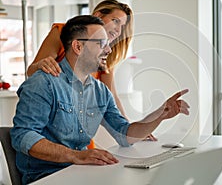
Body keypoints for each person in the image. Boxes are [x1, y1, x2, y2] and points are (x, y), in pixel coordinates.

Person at [10, 15, 190, 185]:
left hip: (80, 171)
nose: (109, 49)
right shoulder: (44, 83)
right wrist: (76, 156)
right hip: (46, 177)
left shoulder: (100, 90)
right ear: (78, 47)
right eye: (102, 43)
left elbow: (124, 134)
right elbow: (23, 135)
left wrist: (159, 114)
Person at [26, 0, 156, 143]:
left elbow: (111, 95)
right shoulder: (65, 34)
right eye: (115, 21)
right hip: (55, 126)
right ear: (98, 15)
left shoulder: (104, 56)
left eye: (122, 26)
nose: (119, 30)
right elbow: (33, 72)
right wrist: (41, 66)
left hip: (79, 126)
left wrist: (130, 132)